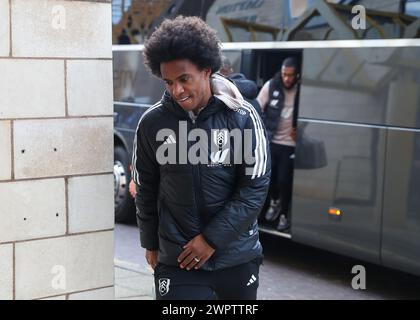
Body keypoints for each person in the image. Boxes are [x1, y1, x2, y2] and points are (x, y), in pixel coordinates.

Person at [132, 16, 270, 300]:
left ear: (206, 70)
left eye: (184, 79)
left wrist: (211, 240)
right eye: (169, 82)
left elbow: (254, 187)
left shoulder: (243, 117)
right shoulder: (152, 123)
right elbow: (146, 187)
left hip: (237, 259)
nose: (176, 91)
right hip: (178, 260)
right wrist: (150, 241)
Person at [257, 57, 300, 232]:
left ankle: (284, 214)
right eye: (284, 75)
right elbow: (257, 108)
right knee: (270, 178)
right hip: (271, 140)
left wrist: (301, 129)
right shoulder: (271, 85)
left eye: (291, 75)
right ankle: (274, 202)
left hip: (290, 144)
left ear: (297, 75)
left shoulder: (302, 90)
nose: (287, 79)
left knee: (284, 180)